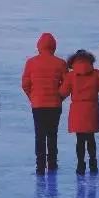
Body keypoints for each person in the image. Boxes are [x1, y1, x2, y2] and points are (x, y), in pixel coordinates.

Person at [21, 33, 67, 174]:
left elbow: (25, 84)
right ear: (53, 46)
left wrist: (33, 97)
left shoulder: (31, 62)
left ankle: (40, 165)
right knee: (52, 134)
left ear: (39, 46)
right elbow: (67, 84)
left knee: (39, 135)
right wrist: (60, 97)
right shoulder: (61, 63)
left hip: (38, 105)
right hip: (54, 105)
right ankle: (52, 163)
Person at [60, 51, 99, 175]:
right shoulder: (96, 74)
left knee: (80, 140)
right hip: (91, 110)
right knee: (91, 139)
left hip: (77, 111)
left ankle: (81, 164)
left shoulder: (71, 76)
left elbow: (62, 93)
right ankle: (93, 163)